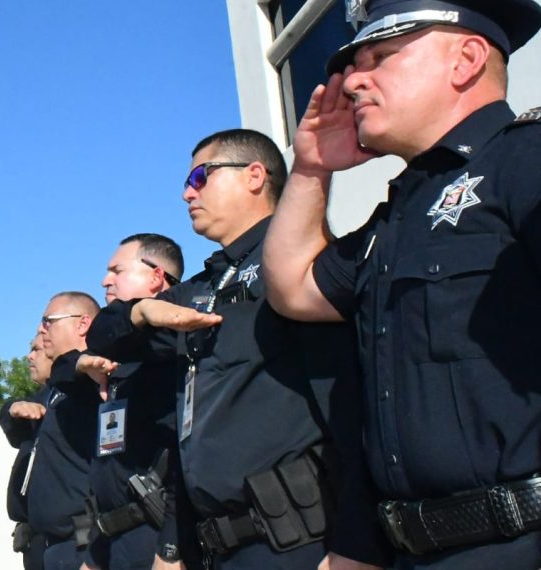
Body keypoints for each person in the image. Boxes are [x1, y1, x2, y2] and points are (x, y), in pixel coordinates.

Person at [262, 1, 541, 568]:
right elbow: (292, 287)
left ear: (465, 59)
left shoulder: (524, 160)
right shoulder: (400, 213)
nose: (354, 81)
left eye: (381, 57)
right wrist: (313, 169)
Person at [86, 129, 383, 569]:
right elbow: (102, 333)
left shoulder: (300, 265)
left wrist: (357, 545)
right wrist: (142, 313)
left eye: (201, 176)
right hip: (217, 547)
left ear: (254, 176)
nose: (188, 192)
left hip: (298, 544)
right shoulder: (205, 287)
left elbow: (355, 409)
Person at [76, 234, 187, 570]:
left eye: (117, 270)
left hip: (154, 536)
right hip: (111, 540)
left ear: (155, 277)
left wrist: (171, 547)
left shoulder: (174, 349)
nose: (105, 280)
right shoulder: (115, 357)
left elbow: (187, 454)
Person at [25, 292, 103, 569]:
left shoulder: (97, 379)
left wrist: (94, 553)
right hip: (54, 546)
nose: (41, 329)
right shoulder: (57, 389)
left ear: (82, 324)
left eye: (49, 321)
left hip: (84, 545)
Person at [0, 334, 55, 570]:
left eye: (37, 350)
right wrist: (12, 407)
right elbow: (12, 429)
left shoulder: (74, 397)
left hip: (61, 539)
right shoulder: (39, 398)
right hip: (33, 540)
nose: (29, 356)